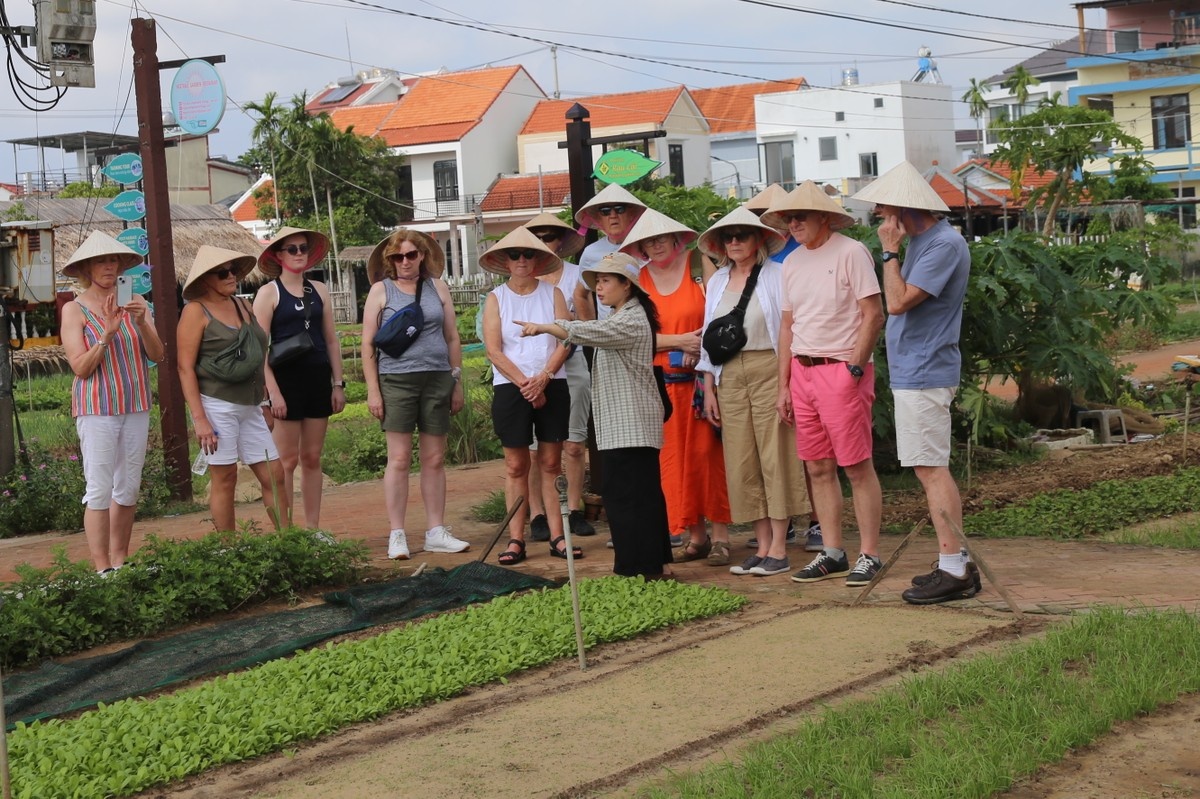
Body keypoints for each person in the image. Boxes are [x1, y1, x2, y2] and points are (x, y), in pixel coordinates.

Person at [852, 161, 979, 605]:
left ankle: (954, 568)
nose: (880, 219)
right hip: (916, 368)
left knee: (930, 467)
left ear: (905, 208)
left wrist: (888, 252)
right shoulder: (925, 241)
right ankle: (954, 562)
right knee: (928, 465)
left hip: (925, 369)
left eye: (884, 209)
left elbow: (899, 301)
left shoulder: (942, 244)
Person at [514, 252, 673, 579]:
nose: (598, 288)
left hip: (631, 425)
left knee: (629, 498)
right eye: (596, 281)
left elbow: (589, 332)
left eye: (605, 281)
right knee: (636, 496)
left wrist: (545, 326)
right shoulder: (624, 315)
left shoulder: (630, 319)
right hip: (625, 425)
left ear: (626, 285)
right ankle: (648, 566)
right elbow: (594, 329)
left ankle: (637, 569)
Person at [763, 181, 885, 587]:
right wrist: (784, 385)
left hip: (840, 368)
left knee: (856, 465)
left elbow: (874, 313)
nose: (793, 223)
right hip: (803, 369)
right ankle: (832, 551)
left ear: (824, 218)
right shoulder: (792, 262)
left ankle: (870, 553)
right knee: (816, 465)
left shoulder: (851, 252)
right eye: (788, 217)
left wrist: (854, 367)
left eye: (800, 216)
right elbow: (787, 325)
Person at [695, 207, 810, 577]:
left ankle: (779, 545)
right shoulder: (716, 282)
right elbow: (708, 338)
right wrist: (709, 386)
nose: (734, 243)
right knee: (741, 460)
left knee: (775, 455)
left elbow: (786, 332)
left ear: (758, 239)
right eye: (728, 237)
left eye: (742, 235)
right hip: (729, 373)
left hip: (768, 367)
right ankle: (761, 546)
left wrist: (786, 385)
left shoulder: (777, 275)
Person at [620, 208, 732, 566]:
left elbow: (722, 315)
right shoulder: (637, 281)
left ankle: (722, 538)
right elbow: (632, 335)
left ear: (675, 238)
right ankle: (694, 536)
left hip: (703, 383)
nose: (654, 245)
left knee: (708, 459)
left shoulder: (699, 267)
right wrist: (678, 341)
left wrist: (697, 348)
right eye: (647, 240)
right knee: (672, 461)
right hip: (659, 386)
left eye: (660, 237)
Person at [59, 232, 165, 574]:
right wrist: (106, 334)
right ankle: (101, 566)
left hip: (135, 404)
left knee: (129, 485)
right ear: (87, 269)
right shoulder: (74, 310)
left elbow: (158, 353)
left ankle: (121, 560)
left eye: (113, 261)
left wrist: (139, 322)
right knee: (100, 487)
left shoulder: (135, 301)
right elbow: (80, 367)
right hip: (97, 408)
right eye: (101, 261)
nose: (109, 266)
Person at [361, 229, 470, 560]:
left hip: (437, 378)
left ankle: (436, 530)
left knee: (434, 458)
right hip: (396, 380)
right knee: (399, 458)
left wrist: (456, 381)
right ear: (389, 260)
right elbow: (368, 344)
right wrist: (372, 391)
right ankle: (397, 533)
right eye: (397, 257)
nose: (404, 262)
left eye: (410, 255)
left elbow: (452, 337)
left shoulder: (438, 287)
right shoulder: (381, 291)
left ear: (422, 255)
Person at [480, 227, 578, 565]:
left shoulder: (553, 294)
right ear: (505, 261)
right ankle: (516, 539)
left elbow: (566, 339)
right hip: (511, 386)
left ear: (538, 259)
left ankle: (557, 536)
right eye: (514, 255)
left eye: (528, 254)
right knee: (515, 464)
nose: (522, 260)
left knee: (551, 462)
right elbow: (494, 350)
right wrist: (526, 384)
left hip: (553, 381)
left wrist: (545, 378)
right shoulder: (496, 298)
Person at [177, 245, 287, 532]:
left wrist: (264, 402)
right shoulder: (195, 312)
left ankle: (288, 540)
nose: (232, 276)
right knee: (225, 477)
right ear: (205, 280)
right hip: (216, 404)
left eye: (234, 271)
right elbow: (184, 368)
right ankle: (228, 549)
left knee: (274, 474)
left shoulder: (243, 305)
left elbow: (254, 357)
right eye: (223, 272)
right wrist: (200, 420)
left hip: (251, 403)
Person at [744, 183, 822, 552]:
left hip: (803, 354)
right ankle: (786, 521)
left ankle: (818, 521)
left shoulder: (799, 250)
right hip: (781, 355)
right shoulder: (774, 255)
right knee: (781, 450)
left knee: (808, 449)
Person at [253, 227, 345, 529]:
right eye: (291, 249)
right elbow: (258, 349)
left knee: (312, 457)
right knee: (286, 461)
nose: (298, 254)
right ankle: (288, 533)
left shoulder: (318, 290)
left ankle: (313, 529)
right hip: (285, 382)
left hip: (318, 379)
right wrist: (272, 393)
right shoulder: (269, 293)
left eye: (303, 248)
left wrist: (337, 383)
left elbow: (331, 339)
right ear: (278, 256)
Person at [520, 212, 595, 542]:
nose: (543, 244)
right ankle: (537, 513)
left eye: (550, 237)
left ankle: (574, 508)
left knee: (574, 443)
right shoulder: (520, 278)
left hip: (572, 363)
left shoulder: (578, 276)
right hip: (530, 369)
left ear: (561, 242)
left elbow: (586, 324)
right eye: (536, 238)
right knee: (535, 450)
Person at [572, 183, 647, 323]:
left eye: (620, 209)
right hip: (609, 337)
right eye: (605, 211)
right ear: (598, 219)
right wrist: (592, 332)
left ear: (631, 214)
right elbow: (580, 294)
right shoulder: (591, 252)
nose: (613, 216)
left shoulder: (648, 245)